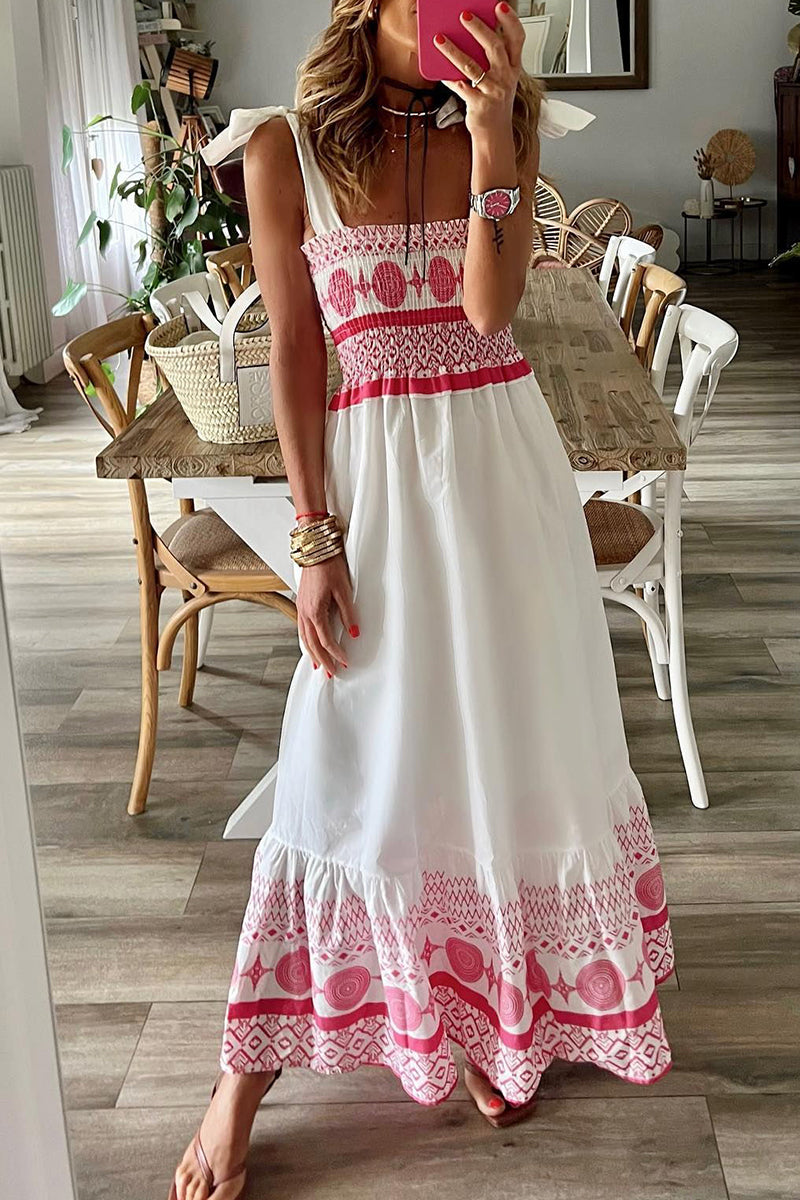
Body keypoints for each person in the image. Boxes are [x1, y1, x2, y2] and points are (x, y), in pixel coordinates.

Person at [170, 3, 674, 1197]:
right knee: (340, 755)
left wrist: (496, 140)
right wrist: (311, 538)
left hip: (504, 481)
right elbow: (298, 351)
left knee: (508, 746)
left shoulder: (502, 123)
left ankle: (499, 1021)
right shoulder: (283, 147)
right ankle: (240, 1082)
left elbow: (488, 312)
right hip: (376, 493)